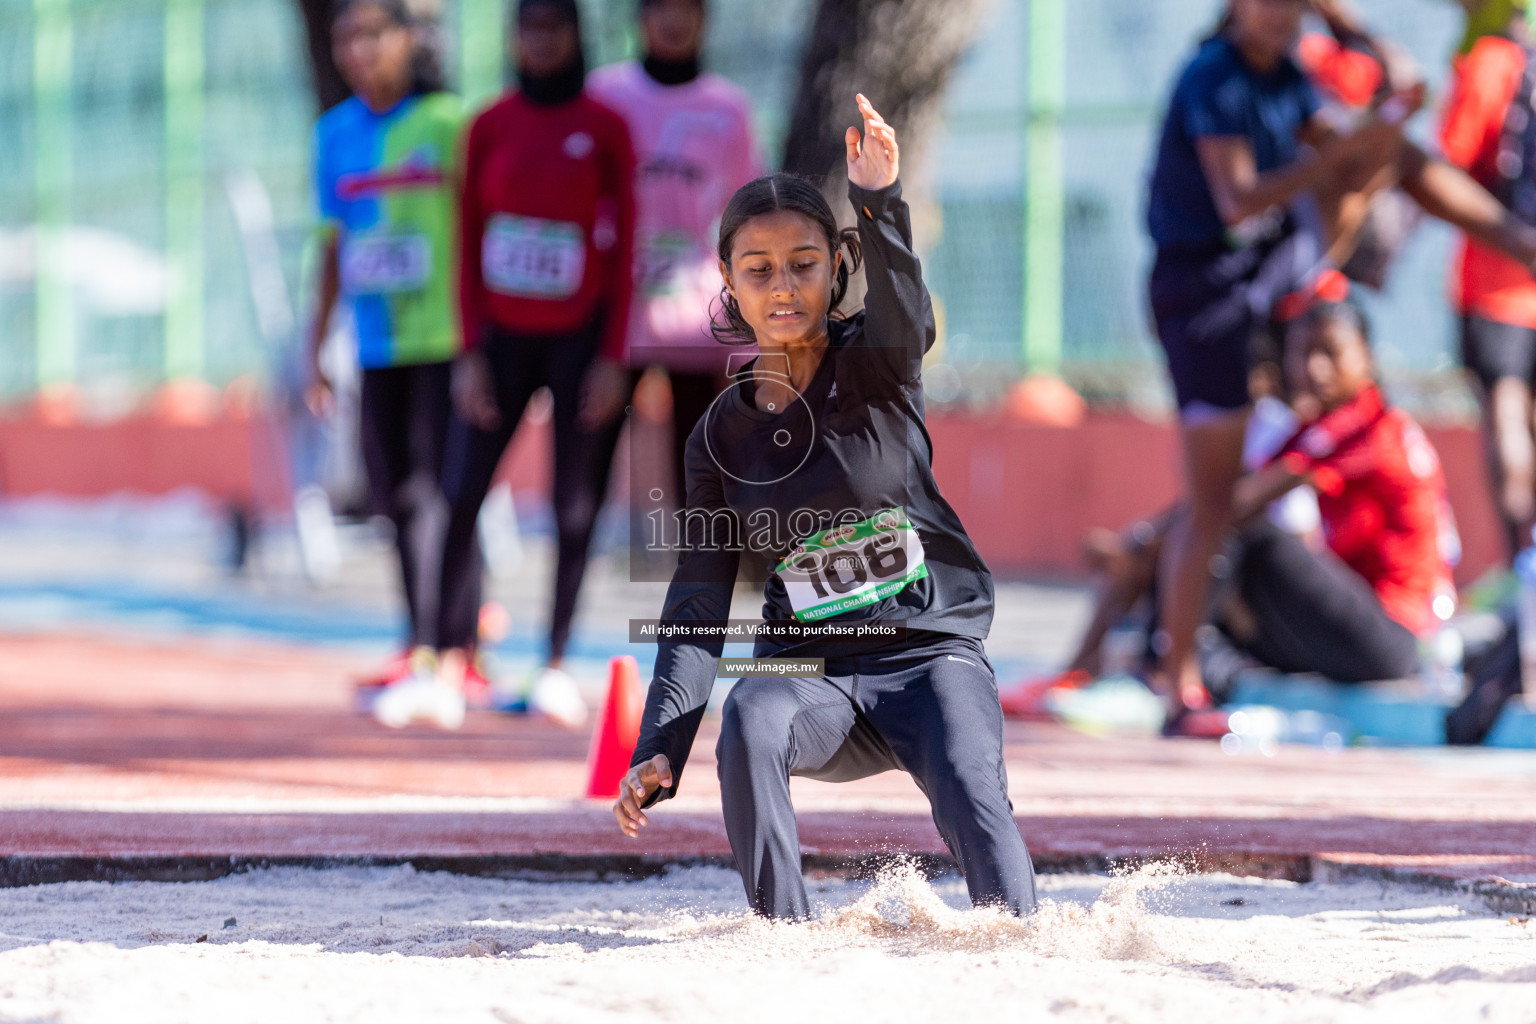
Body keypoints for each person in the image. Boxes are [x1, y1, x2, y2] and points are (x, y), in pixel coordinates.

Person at [610, 96, 1037, 921]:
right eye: (759, 269)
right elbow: (698, 605)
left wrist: (879, 201)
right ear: (726, 278)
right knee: (751, 715)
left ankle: (1019, 937)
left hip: (929, 654)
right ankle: (786, 938)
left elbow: (909, 315)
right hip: (809, 674)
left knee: (969, 782)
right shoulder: (717, 438)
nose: (783, 287)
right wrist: (660, 745)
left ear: (835, 266)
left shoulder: (877, 367)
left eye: (803, 264)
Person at [1014, 274, 1457, 714]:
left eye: (1330, 353)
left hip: (1400, 638)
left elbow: (1232, 505)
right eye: (1302, 354)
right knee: (1205, 542)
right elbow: (1221, 495)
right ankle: (1099, 670)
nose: (1314, 369)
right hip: (1364, 627)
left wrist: (1140, 544)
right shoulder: (1315, 429)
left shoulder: (1369, 428)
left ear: (1368, 358)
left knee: (1237, 531)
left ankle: (1149, 673)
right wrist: (1147, 540)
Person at [442, 0, 636, 723]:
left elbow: (626, 249)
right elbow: (465, 243)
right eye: (529, 27)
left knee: (573, 507)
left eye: (555, 27)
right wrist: (468, 352)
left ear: (574, 37)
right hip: (499, 341)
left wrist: (613, 355)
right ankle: (445, 656)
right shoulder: (488, 125)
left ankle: (554, 661)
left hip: (580, 339)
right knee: (460, 492)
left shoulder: (605, 127)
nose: (541, 40)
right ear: (514, 37)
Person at [308, 0, 465, 722]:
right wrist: (316, 344)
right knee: (394, 495)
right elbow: (334, 245)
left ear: (408, 39)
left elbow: (482, 224)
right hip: (376, 343)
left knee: (446, 491)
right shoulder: (333, 135)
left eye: (373, 34)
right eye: (345, 37)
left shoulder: (448, 125)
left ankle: (454, 649)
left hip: (448, 338)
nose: (357, 51)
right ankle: (422, 642)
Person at [587, 0, 764, 512]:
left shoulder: (728, 107)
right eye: (660, 7)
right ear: (639, 18)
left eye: (686, 7)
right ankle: (569, 583)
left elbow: (748, 213)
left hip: (697, 318)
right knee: (585, 471)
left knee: (701, 476)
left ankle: (700, 588)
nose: (673, 19)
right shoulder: (605, 95)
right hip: (619, 315)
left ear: (704, 20)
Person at [1439, 0, 1536, 563]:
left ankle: (1520, 561)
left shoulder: (1488, 63)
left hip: (1495, 284)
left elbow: (1446, 170)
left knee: (1507, 420)